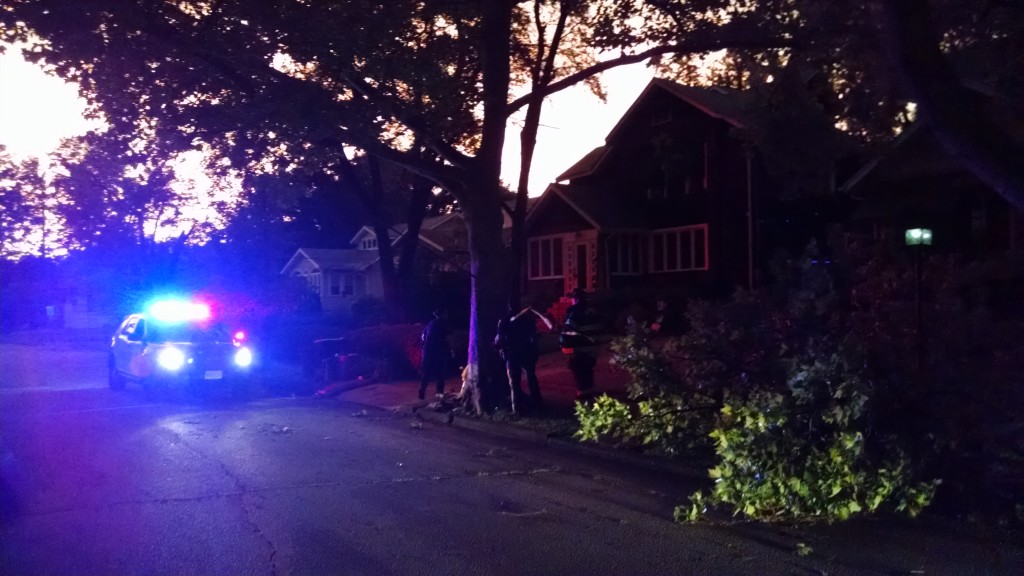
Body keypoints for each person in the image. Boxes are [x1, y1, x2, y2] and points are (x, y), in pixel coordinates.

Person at [495, 303, 554, 415]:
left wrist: (497, 346)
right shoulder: (527, 319)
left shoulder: (504, 320)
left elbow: (499, 339)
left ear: (508, 306)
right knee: (531, 379)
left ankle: (517, 409)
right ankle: (537, 404)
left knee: (514, 383)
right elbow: (534, 336)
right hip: (527, 353)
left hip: (512, 355)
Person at [560, 289, 602, 398]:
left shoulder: (575, 313)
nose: (571, 301)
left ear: (576, 299)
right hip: (591, 348)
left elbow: (568, 331)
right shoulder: (592, 311)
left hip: (578, 349)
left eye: (572, 299)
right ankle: (590, 393)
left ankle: (583, 397)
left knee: (580, 373)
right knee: (588, 371)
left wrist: (563, 343)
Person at [419, 307, 451, 400]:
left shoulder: (430, 324)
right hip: (438, 351)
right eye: (446, 313)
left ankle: (422, 389)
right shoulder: (443, 324)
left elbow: (423, 337)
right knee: (440, 373)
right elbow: (448, 338)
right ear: (442, 314)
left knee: (427, 372)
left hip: (427, 351)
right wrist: (452, 349)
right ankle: (439, 395)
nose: (447, 315)